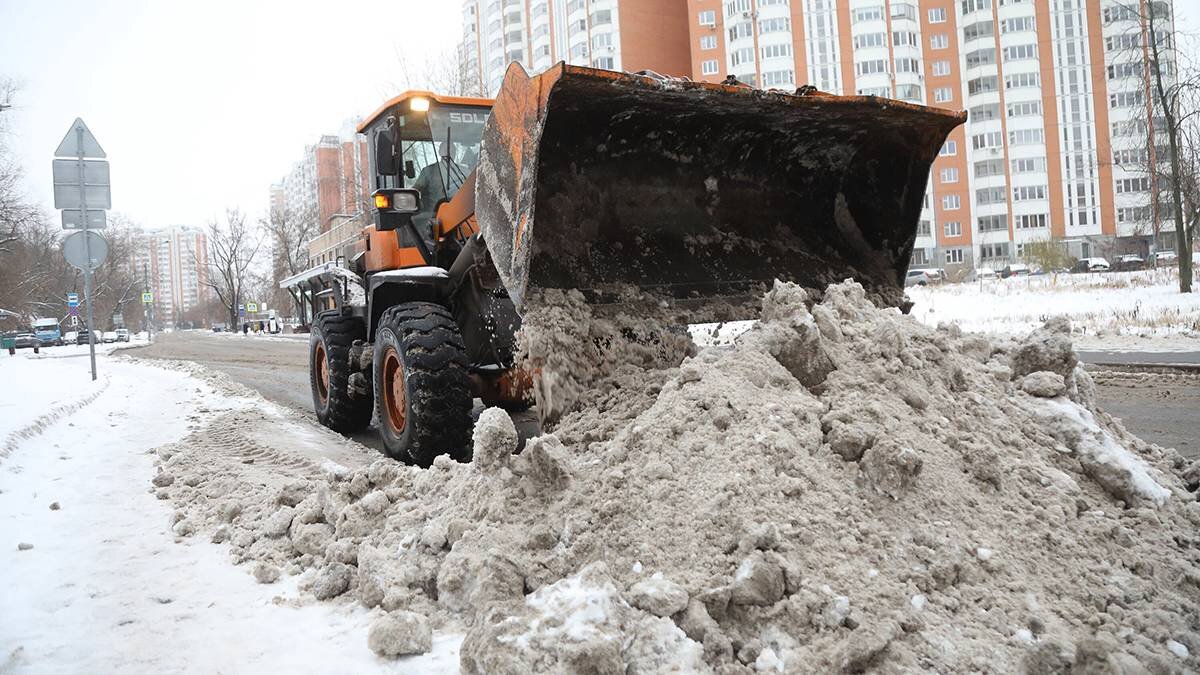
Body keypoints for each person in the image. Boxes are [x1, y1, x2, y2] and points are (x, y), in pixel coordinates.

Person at [411, 141, 468, 217]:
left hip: (462, 215)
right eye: (446, 149)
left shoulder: (464, 171)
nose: (448, 151)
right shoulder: (429, 171)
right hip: (434, 216)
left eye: (451, 149)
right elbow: (415, 191)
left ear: (455, 152)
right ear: (439, 152)